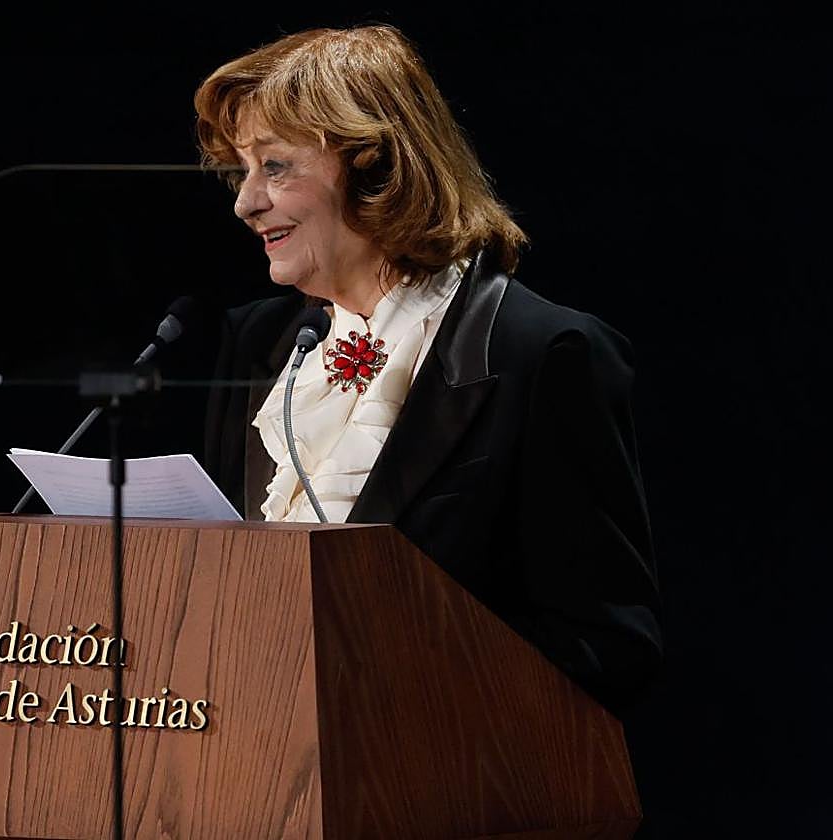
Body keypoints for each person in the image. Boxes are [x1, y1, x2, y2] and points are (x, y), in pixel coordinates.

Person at [197, 24, 661, 713]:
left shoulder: (542, 353)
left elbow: (609, 648)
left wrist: (395, 666)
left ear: (374, 164)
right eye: (242, 171)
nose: (245, 202)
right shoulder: (257, 345)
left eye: (275, 166)